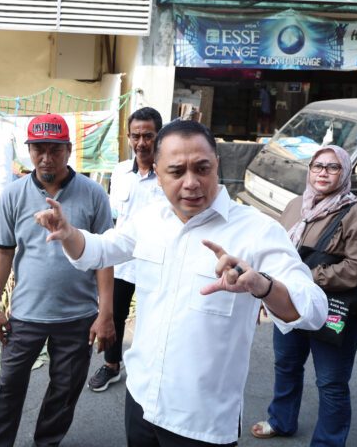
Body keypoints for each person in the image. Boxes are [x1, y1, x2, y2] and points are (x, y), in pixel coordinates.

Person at [34, 120, 328, 447]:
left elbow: (314, 309)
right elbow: (99, 250)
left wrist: (263, 285)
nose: (191, 183)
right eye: (176, 172)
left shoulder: (257, 231)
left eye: (202, 168)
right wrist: (68, 233)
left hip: (202, 421)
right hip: (142, 400)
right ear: (157, 174)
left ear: (217, 164)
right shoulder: (149, 219)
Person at [0, 113, 115, 447]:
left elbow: (104, 257)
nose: (46, 157)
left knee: (64, 390)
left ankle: (46, 443)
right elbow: (3, 252)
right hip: (26, 314)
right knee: (9, 386)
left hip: (77, 317)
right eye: (39, 148)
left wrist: (105, 313)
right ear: (28, 151)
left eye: (54, 149)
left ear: (68, 150)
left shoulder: (93, 194)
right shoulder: (12, 196)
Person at [251, 145, 357, 446]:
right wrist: (266, 292)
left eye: (332, 167)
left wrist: (307, 278)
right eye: (317, 165)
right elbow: (277, 252)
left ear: (345, 171)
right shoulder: (297, 205)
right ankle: (281, 420)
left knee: (331, 382)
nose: (323, 172)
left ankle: (328, 442)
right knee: (286, 364)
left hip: (335, 309)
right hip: (291, 303)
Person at [88, 107, 165, 392]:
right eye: (136, 136)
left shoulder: (168, 174)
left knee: (153, 317)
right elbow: (113, 216)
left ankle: (152, 368)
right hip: (121, 260)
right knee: (113, 314)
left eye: (148, 136)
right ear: (128, 137)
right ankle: (112, 366)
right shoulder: (120, 172)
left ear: (158, 136)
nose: (141, 143)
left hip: (155, 260)